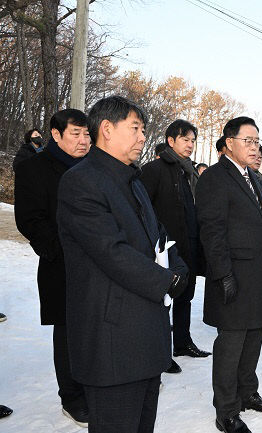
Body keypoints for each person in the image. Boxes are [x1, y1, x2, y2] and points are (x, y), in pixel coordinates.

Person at [57, 95, 189, 433]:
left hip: (145, 335)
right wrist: (167, 281)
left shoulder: (132, 180)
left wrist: (179, 267)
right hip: (112, 340)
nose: (143, 137)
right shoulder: (81, 181)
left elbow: (159, 235)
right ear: (106, 129)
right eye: (135, 129)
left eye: (143, 130)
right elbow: (111, 252)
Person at [196, 116, 262, 433]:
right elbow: (212, 232)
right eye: (248, 140)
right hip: (232, 274)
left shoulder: (255, 178)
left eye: (257, 141)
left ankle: (248, 393)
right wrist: (222, 275)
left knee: (254, 336)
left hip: (258, 274)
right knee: (230, 344)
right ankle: (226, 410)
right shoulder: (215, 178)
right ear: (229, 142)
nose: (254, 146)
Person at [14, 109, 91, 427]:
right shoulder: (35, 167)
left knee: (93, 330)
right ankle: (71, 397)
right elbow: (29, 219)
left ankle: (92, 385)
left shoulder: (94, 167)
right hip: (62, 264)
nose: (84, 140)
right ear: (56, 135)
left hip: (99, 265)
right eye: (76, 133)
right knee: (68, 332)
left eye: (87, 133)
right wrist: (59, 250)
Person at [141, 119, 211, 368]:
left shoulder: (187, 171)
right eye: (185, 139)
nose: (190, 145)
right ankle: (160, 353)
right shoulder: (154, 170)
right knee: (163, 300)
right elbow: (144, 210)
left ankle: (182, 343)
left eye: (193, 140)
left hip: (189, 244)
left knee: (185, 295)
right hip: (166, 248)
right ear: (171, 141)